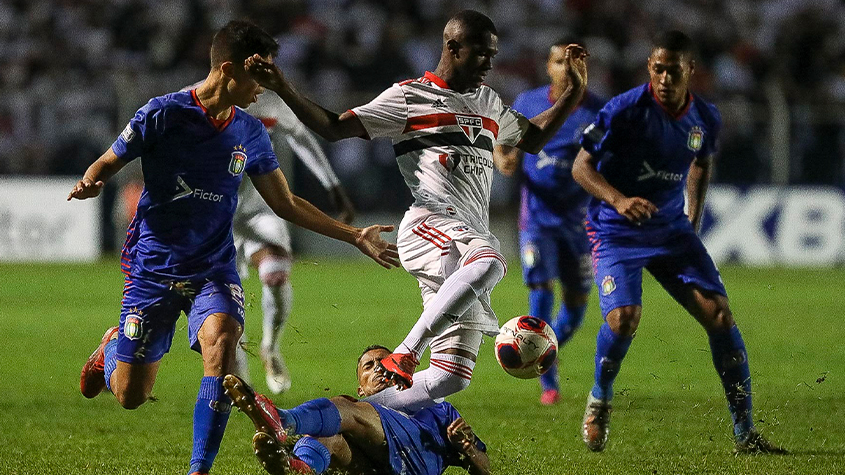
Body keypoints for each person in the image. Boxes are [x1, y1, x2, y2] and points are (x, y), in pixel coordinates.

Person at [70, 21, 399, 475]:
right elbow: (109, 159)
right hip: (154, 268)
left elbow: (284, 202)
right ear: (227, 70)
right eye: (257, 77)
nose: (262, 88)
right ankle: (110, 352)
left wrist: (353, 234)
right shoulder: (162, 114)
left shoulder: (250, 130)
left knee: (223, 345)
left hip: (213, 269)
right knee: (131, 396)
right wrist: (92, 180)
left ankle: (198, 469)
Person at [242, 9, 588, 413]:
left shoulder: (488, 102)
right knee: (492, 260)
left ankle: (325, 419)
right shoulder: (408, 97)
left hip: (465, 237)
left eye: (493, 56)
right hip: (430, 224)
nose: (490, 64)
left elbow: (532, 138)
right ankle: (405, 352)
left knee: (450, 377)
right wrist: (283, 86)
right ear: (453, 48)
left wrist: (573, 92)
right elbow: (334, 126)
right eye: (482, 54)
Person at [571, 30, 784, 454]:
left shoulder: (705, 117)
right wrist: (618, 199)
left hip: (671, 232)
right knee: (624, 318)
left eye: (672, 69)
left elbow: (701, 165)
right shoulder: (624, 110)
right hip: (616, 229)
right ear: (650, 68)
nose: (664, 77)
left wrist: (693, 220)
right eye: (657, 69)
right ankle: (599, 398)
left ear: (690, 70)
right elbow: (581, 167)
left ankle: (745, 433)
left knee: (720, 315)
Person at [493, 38, 605, 406]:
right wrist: (501, 152)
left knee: (575, 306)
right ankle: (548, 382)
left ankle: (540, 350)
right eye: (559, 61)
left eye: (574, 62)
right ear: (548, 66)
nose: (566, 68)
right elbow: (505, 155)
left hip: (579, 222)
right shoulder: (527, 102)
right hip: (536, 219)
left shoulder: (600, 112)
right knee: (541, 290)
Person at [232, 91, 356, 394]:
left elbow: (300, 137)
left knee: (275, 272)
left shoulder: (269, 102)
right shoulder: (193, 101)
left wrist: (333, 185)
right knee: (223, 297)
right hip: (213, 212)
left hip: (261, 205)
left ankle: (270, 348)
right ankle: (239, 376)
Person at [223, 345, 490, 475]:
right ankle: (300, 468)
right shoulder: (356, 409)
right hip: (372, 469)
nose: (379, 368)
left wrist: (468, 449)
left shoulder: (437, 407)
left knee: (341, 409)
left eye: (386, 362)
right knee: (330, 430)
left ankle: (283, 420)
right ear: (361, 387)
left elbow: (484, 469)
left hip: (417, 466)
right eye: (369, 366)